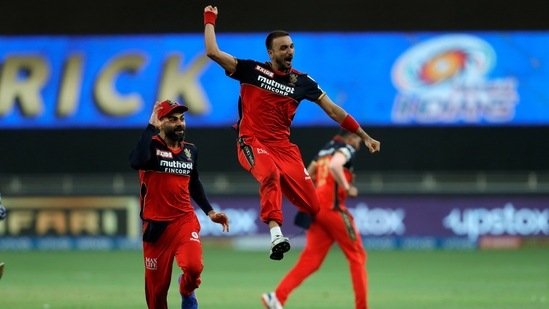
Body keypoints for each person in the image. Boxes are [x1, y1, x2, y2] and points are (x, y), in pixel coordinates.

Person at [203, 5, 380, 261]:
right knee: (270, 175)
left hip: (283, 148)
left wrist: (364, 135)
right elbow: (212, 52)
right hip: (251, 141)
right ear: (270, 52)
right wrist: (210, 19)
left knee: (313, 205)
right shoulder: (251, 71)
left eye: (292, 46)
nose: (289, 51)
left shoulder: (303, 82)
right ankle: (275, 233)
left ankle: (277, 188)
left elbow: (333, 111)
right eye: (283, 47)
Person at [128, 99, 230, 309]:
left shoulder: (190, 151)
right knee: (156, 294)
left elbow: (194, 182)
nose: (180, 124)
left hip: (184, 221)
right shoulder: (151, 147)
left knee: (194, 268)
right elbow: (136, 161)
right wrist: (150, 127)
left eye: (182, 119)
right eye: (173, 120)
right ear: (161, 122)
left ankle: (186, 289)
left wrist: (210, 212)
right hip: (156, 227)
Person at [262, 130, 370, 309]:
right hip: (332, 208)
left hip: (315, 208)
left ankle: (277, 297)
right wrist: (347, 186)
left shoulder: (325, 150)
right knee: (357, 256)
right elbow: (336, 165)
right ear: (350, 138)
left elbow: (308, 173)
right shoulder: (347, 149)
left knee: (311, 259)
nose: (359, 144)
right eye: (358, 140)